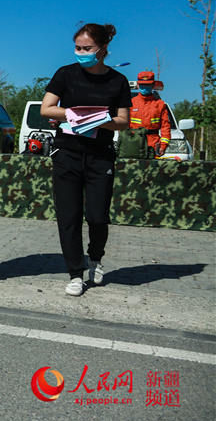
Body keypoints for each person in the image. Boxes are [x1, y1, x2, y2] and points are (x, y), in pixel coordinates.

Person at [40, 23, 131, 296]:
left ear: (103, 49)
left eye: (87, 48)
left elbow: (124, 121)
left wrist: (100, 120)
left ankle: (96, 258)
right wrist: (72, 114)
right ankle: (75, 273)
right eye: (78, 47)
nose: (81, 52)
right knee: (68, 217)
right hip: (66, 154)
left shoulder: (118, 81)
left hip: (100, 157)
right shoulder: (65, 75)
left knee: (97, 216)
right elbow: (46, 109)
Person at [130, 71, 171, 158]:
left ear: (153, 86)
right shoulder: (131, 103)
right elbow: (124, 126)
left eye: (147, 85)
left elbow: (165, 126)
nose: (145, 88)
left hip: (153, 145)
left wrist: (163, 145)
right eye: (142, 85)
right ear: (138, 85)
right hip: (133, 144)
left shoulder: (160, 104)